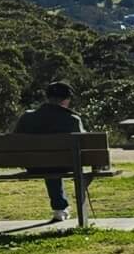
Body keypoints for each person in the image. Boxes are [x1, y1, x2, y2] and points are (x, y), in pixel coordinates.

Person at [14, 80, 85, 224]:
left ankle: (60, 208)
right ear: (66, 100)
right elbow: (85, 145)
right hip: (66, 164)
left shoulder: (27, 117)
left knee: (47, 162)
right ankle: (61, 209)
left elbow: (13, 141)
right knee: (55, 162)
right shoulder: (72, 119)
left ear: (47, 97)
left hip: (33, 164)